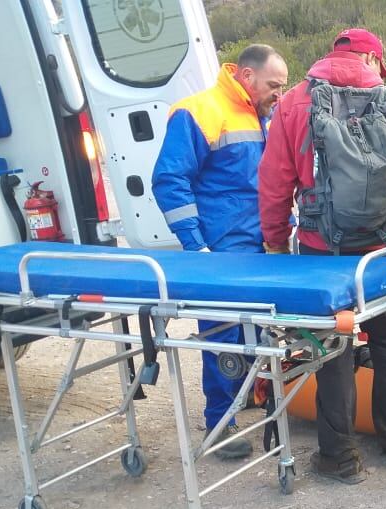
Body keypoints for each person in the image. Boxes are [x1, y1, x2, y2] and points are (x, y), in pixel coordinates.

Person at [258, 28, 386, 482]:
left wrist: (274, 241)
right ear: (372, 58)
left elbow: (274, 182)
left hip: (319, 252)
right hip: (382, 251)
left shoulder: (294, 102)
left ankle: (340, 457)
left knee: (332, 351)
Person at [152, 44, 288, 460]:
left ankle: (247, 397)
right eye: (273, 85)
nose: (279, 94)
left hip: (258, 243)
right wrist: (197, 246)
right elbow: (169, 180)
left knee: (259, 332)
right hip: (220, 247)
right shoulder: (199, 111)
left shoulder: (262, 115)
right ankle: (219, 422)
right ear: (247, 76)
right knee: (222, 334)